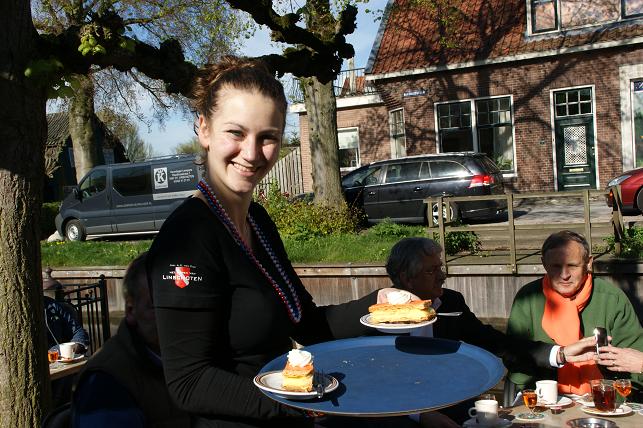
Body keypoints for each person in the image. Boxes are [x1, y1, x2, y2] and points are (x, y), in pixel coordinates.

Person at [146, 56, 419, 428]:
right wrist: (303, 406)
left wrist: (378, 305)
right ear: (204, 130)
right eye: (236, 133)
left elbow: (308, 325)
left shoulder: (257, 221)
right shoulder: (186, 237)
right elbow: (190, 382)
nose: (251, 153)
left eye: (267, 137)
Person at [385, 237, 597, 425]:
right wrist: (420, 415)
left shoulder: (450, 302)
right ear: (407, 278)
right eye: (432, 271)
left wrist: (560, 353)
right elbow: (379, 384)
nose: (442, 276)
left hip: (450, 402)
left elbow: (494, 342)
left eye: (440, 267)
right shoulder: (379, 316)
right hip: (397, 411)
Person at [506, 230, 643, 396]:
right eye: (556, 266)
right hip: (543, 397)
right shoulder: (528, 298)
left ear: (588, 263)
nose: (564, 275)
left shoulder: (612, 299)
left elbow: (634, 360)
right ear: (544, 264)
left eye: (572, 266)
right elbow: (513, 357)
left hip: (603, 397)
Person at [71, 252, 190, 428]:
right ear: (130, 310)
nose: (175, 314)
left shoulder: (196, 356)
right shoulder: (107, 384)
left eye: (185, 302)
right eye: (158, 304)